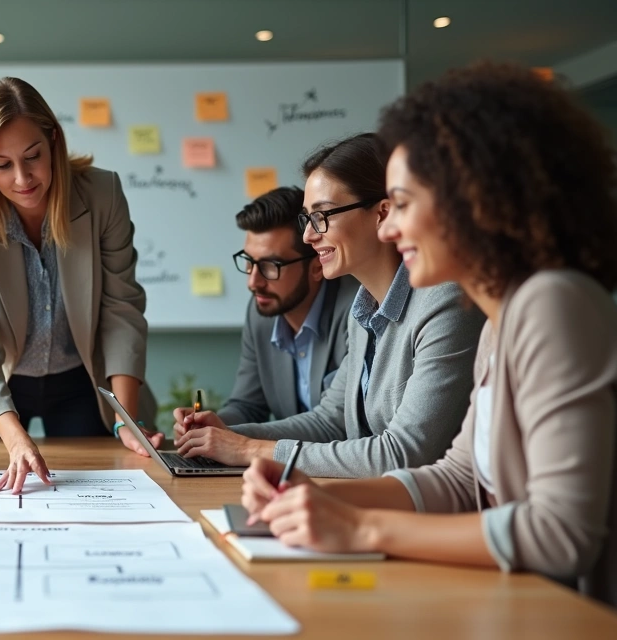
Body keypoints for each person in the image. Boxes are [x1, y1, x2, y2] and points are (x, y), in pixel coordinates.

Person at [241, 62, 617, 607]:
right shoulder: (500, 319)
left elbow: (560, 534)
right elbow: (460, 478)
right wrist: (311, 490)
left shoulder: (553, 304)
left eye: (405, 205)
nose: (391, 228)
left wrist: (363, 528)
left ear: (477, 201)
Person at [173, 133, 484, 478]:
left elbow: (403, 453)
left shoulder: (445, 303)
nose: (308, 236)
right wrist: (226, 437)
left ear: (382, 213)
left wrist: (247, 450)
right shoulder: (363, 310)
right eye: (308, 219)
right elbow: (331, 421)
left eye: (322, 216)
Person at [0, 77, 158, 493]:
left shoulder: (102, 195)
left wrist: (126, 422)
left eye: (33, 156)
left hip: (82, 380)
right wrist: (16, 437)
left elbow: (121, 311)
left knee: (102, 490)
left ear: (53, 140)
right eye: (2, 165)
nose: (22, 178)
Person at [220, 186, 358, 425]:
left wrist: (233, 440)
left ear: (317, 267)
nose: (254, 283)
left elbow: (337, 425)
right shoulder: (261, 312)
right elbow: (247, 406)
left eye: (271, 266)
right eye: (249, 262)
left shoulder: (355, 310)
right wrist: (214, 425)